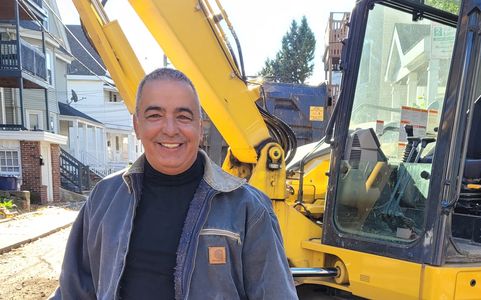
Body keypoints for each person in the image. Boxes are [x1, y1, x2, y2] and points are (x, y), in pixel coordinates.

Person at [52, 68, 298, 299]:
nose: (170, 129)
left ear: (199, 128)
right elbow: (74, 291)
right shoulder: (104, 199)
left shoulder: (248, 209)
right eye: (155, 115)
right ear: (137, 125)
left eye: (183, 116)